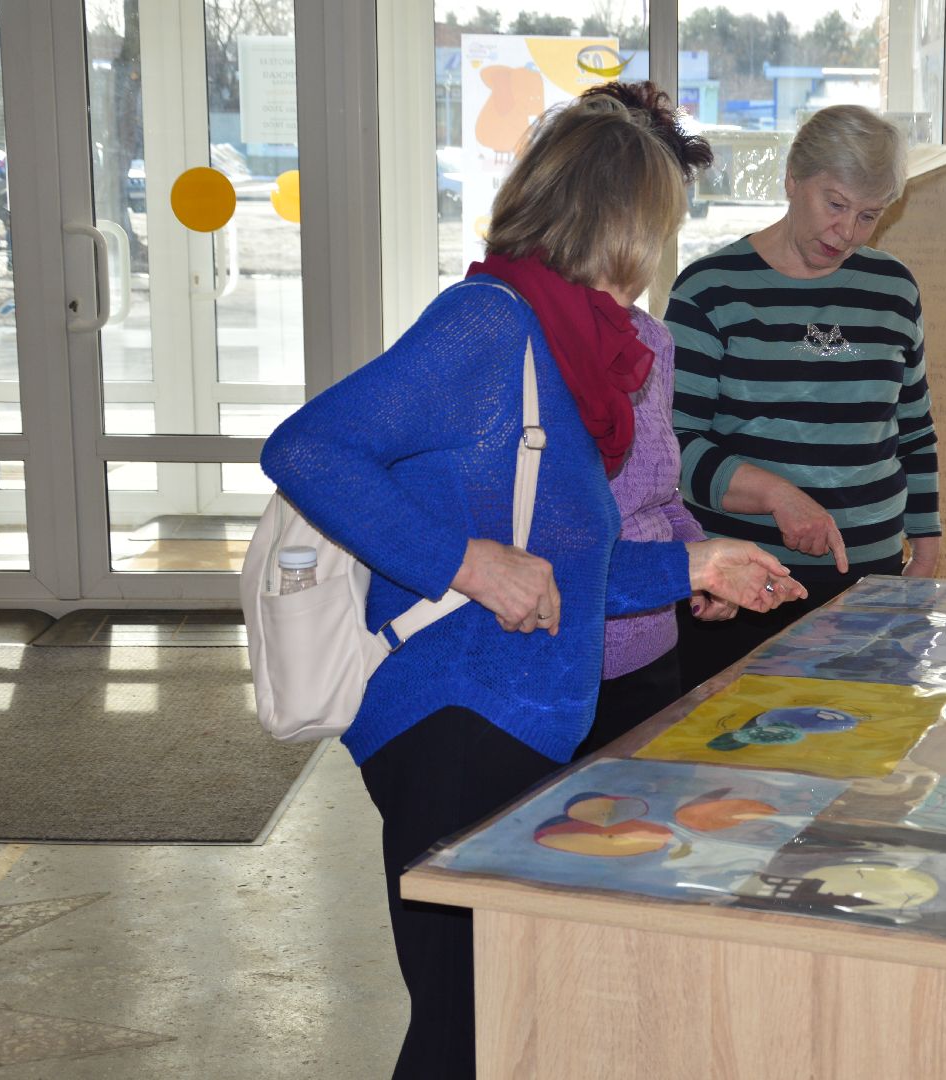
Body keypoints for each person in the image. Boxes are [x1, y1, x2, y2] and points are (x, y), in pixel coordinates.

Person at [260, 94, 805, 1080]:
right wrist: (465, 563)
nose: (659, 252)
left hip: (517, 727)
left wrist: (691, 564)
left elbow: (557, 577)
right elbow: (308, 450)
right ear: (618, 219)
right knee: (464, 1028)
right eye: (659, 226)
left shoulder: (571, 351)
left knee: (508, 1015)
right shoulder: (485, 327)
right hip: (449, 728)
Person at [666, 104, 941, 692]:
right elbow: (674, 449)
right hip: (742, 586)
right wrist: (777, 496)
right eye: (835, 204)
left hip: (872, 582)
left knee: (863, 758)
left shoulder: (892, 289)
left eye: (869, 216)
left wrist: (927, 547)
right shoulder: (709, 290)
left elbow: (914, 430)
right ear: (793, 179)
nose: (846, 233)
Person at [570, 82, 729, 758]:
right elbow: (563, 548)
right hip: (565, 662)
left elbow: (659, 495)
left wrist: (707, 563)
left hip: (652, 651)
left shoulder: (652, 341)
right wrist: (691, 566)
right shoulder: (516, 333)